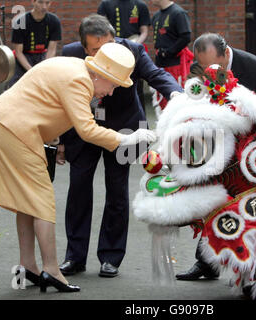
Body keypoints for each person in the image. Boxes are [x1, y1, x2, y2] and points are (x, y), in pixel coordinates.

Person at [0, 42, 157, 293]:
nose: (112, 92)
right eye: (113, 84)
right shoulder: (79, 81)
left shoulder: (74, 69)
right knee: (42, 201)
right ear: (101, 75)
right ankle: (51, 271)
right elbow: (87, 129)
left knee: (27, 201)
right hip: (15, 131)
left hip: (7, 125)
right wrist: (126, 139)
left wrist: (56, 141)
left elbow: (44, 102)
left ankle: (28, 266)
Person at [58, 14, 182, 278]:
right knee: (78, 188)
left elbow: (156, 75)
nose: (106, 56)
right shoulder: (70, 54)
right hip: (85, 127)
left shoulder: (132, 50)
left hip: (125, 126)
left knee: (117, 191)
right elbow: (60, 96)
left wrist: (178, 95)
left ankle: (111, 257)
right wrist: (59, 139)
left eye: (109, 46)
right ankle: (74, 257)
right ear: (83, 47)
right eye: (95, 50)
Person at [175, 32, 256, 281]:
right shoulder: (198, 68)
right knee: (212, 201)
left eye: (216, 65)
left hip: (252, 151)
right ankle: (207, 263)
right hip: (216, 147)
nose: (210, 70)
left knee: (253, 208)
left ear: (226, 54)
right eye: (203, 66)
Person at [97, 0, 151, 108]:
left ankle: (141, 122)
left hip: (132, 50)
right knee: (107, 89)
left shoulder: (140, 5)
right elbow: (100, 29)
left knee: (137, 88)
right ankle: (102, 121)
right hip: (111, 51)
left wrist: (134, 45)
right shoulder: (105, 4)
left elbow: (144, 31)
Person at [150, 0, 192, 112]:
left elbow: (186, 37)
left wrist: (169, 52)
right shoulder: (156, 16)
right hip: (161, 64)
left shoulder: (178, 13)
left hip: (175, 64)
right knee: (162, 99)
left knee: (176, 97)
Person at [9, 0, 62, 86]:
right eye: (40, 2)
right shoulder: (20, 21)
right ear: (33, 2)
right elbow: (18, 52)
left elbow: (51, 50)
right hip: (24, 57)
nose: (44, 6)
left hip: (43, 57)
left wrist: (43, 67)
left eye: (47, 3)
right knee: (17, 86)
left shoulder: (54, 21)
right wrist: (32, 70)